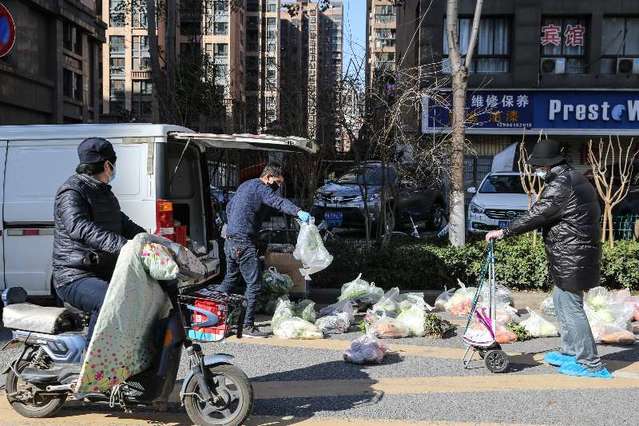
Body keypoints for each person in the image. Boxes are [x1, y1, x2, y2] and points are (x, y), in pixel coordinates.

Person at [486, 138, 611, 379]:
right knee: (561, 301)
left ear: (548, 165)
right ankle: (570, 351)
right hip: (572, 252)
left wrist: (505, 231)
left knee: (571, 307)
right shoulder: (569, 178)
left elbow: (538, 213)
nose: (536, 171)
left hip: (572, 253)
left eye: (538, 167)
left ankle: (591, 363)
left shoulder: (562, 183)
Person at [53, 137, 145, 343]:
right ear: (107, 165)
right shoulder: (71, 191)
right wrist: (124, 246)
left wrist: (149, 240)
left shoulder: (104, 193)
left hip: (103, 270)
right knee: (108, 300)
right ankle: (93, 364)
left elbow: (123, 223)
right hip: (74, 275)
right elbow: (79, 227)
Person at [217, 161, 311, 338]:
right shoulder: (262, 188)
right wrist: (298, 212)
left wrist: (237, 227)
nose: (278, 187)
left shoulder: (246, 185)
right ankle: (247, 325)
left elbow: (230, 207)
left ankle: (213, 314)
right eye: (277, 182)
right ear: (268, 177)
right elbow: (278, 202)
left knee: (230, 279)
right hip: (242, 242)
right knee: (254, 284)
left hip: (230, 239)